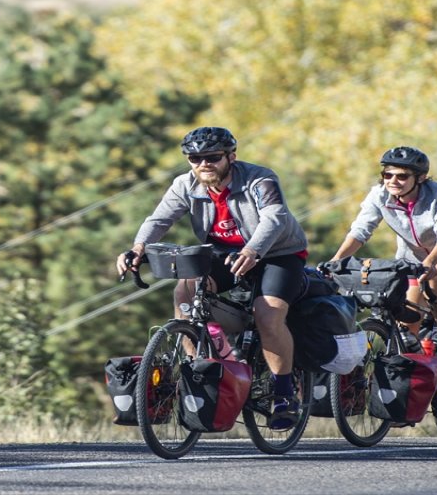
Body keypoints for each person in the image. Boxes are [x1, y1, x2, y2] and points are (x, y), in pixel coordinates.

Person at [117, 126, 310, 430]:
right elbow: (160, 219)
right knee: (185, 293)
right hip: (224, 253)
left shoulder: (260, 179)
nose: (203, 164)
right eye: (195, 158)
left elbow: (275, 218)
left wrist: (253, 251)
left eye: (212, 157)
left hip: (277, 254)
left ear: (230, 156)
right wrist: (138, 247)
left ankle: (285, 394)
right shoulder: (186, 184)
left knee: (267, 315)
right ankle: (202, 372)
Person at [328, 146, 437, 374]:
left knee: (433, 281)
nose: (393, 180)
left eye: (402, 176)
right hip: (414, 260)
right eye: (388, 174)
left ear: (421, 178)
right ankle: (412, 375)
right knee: (406, 323)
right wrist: (335, 261)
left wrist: (431, 262)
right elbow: (361, 230)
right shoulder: (379, 195)